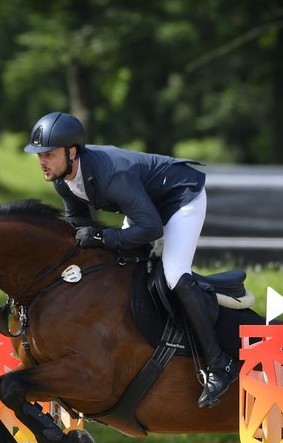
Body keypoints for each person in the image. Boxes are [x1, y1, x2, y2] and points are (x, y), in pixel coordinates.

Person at [24, 110, 234, 408]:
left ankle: (219, 363)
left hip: (180, 198)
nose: (42, 161)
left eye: (49, 154)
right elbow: (81, 230)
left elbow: (149, 228)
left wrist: (105, 238)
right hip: (145, 208)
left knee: (173, 274)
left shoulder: (112, 176)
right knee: (126, 266)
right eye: (38, 154)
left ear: (72, 152)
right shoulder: (62, 180)